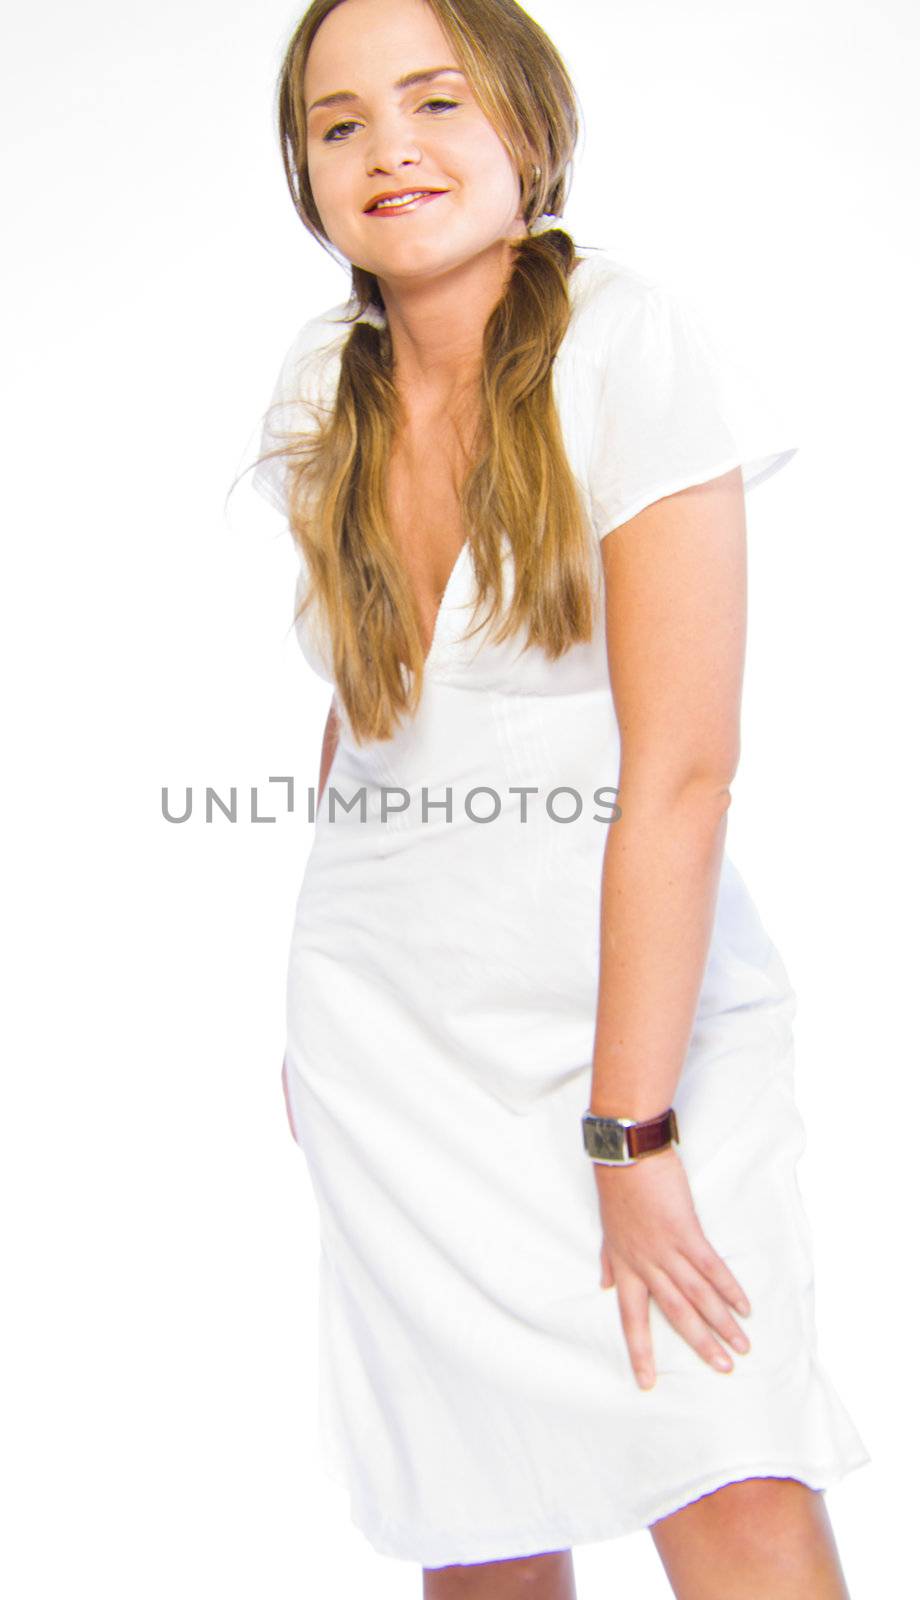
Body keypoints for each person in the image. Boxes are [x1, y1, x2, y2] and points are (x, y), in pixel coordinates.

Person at [248, 0, 871, 1594]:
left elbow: (683, 771)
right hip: (398, 1051)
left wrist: (631, 1127)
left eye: (436, 99)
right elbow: (370, 723)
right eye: (339, 121)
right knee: (482, 1521)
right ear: (306, 177)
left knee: (731, 1480)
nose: (388, 144)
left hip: (637, 1050)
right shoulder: (333, 390)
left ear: (528, 128)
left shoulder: (628, 345)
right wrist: (310, 1030)